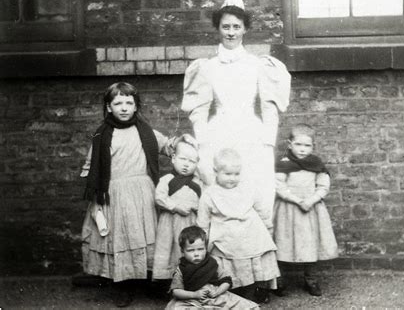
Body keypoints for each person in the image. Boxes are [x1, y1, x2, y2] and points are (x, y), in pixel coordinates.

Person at [80, 82, 195, 307]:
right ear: (108, 107)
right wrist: (96, 191)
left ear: (136, 106)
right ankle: (123, 285)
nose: (124, 108)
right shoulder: (102, 136)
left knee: (147, 237)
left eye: (129, 103)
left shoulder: (145, 131)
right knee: (121, 238)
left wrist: (181, 141)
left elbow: (167, 146)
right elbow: (91, 167)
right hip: (116, 194)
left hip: (143, 193)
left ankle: (151, 281)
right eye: (118, 103)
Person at [181, 0, 291, 219]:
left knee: (255, 185)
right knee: (218, 187)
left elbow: (269, 109)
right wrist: (202, 141)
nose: (231, 32)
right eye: (226, 27)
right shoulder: (207, 67)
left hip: (251, 131)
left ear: (245, 29)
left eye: (236, 27)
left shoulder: (258, 65)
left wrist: (268, 143)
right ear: (218, 29)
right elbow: (198, 110)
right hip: (218, 131)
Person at [197, 148, 280, 303]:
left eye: (236, 174)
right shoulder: (209, 194)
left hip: (251, 232)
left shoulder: (247, 188)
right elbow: (203, 222)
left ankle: (260, 288)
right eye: (227, 174)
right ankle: (236, 290)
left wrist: (268, 226)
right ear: (216, 171)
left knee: (257, 258)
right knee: (229, 266)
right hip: (226, 238)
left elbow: (261, 208)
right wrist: (203, 243)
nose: (232, 178)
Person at [272, 124, 339, 297]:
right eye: (298, 145)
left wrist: (311, 200)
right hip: (288, 210)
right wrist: (297, 200)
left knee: (311, 244)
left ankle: (311, 280)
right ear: (290, 144)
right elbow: (279, 186)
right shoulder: (284, 164)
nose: (302, 149)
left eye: (307, 145)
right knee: (283, 243)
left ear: (313, 146)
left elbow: (323, 186)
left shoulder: (316, 164)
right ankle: (280, 281)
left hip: (311, 210)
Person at [165, 226, 259, 309]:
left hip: (215, 297)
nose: (196, 254)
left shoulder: (212, 263)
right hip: (191, 299)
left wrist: (218, 291)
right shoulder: (181, 268)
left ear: (206, 248)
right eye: (191, 250)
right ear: (183, 251)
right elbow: (176, 291)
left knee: (244, 306)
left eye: (200, 249)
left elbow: (226, 281)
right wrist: (194, 295)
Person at [152, 140, 201, 287]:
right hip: (170, 223)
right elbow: (159, 198)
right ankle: (169, 283)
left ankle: (189, 281)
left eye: (191, 161)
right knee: (169, 249)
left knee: (189, 249)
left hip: (190, 223)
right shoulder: (167, 180)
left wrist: (194, 207)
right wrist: (175, 206)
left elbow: (203, 202)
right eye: (182, 159)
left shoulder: (198, 183)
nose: (186, 164)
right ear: (173, 159)